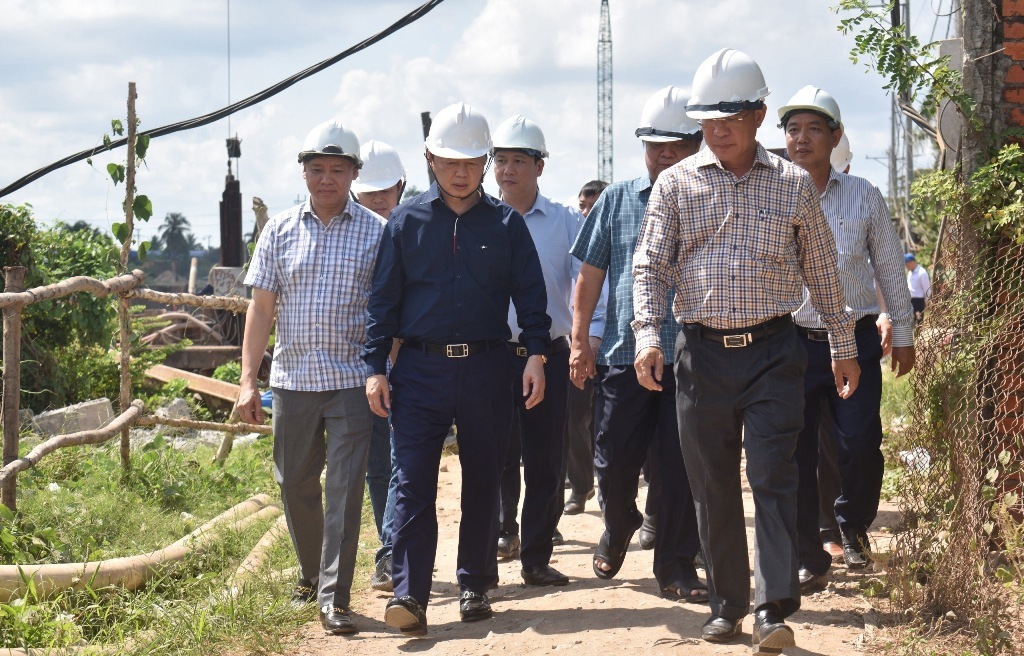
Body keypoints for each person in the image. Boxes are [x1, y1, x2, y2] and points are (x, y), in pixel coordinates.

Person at [631, 49, 860, 654]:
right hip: (700, 356)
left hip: (773, 352)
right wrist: (648, 337)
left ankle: (771, 606)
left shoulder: (790, 186)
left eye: (732, 115)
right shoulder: (676, 184)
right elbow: (650, 267)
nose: (720, 129)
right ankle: (728, 603)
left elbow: (822, 272)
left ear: (759, 114)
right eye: (708, 118)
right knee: (711, 483)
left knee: (773, 474)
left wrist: (842, 344)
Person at [362, 102, 551, 635]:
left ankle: (473, 583)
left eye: (472, 161)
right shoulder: (405, 223)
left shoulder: (508, 224)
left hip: (489, 366)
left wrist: (535, 353)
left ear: (486, 161)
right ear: (430, 159)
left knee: (485, 477)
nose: (461, 172)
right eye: (450, 162)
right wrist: (376, 367)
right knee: (413, 481)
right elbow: (383, 303)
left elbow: (531, 295)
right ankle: (410, 594)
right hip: (419, 370)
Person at [236, 119, 385, 636]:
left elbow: (389, 311)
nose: (327, 179)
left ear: (354, 174)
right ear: (303, 173)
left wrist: (381, 371)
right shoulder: (278, 230)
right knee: (294, 482)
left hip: (351, 381)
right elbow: (260, 309)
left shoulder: (377, 232)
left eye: (337, 170)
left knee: (343, 490)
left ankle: (333, 597)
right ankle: (310, 572)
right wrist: (248, 381)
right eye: (317, 169)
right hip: (293, 382)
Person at [570, 86, 706, 603]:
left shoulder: (711, 196)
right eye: (655, 145)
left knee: (679, 465)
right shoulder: (616, 198)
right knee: (612, 457)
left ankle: (675, 565)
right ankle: (620, 519)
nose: (664, 154)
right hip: (624, 356)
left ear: (696, 144)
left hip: (689, 356)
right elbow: (590, 273)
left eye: (675, 145)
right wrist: (580, 339)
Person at [777, 86, 915, 594]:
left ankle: (852, 523)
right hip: (788, 340)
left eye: (815, 128)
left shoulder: (863, 196)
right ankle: (808, 549)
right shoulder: (769, 194)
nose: (802, 138)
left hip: (853, 337)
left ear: (835, 137)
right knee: (793, 448)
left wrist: (902, 333)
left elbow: (889, 268)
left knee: (858, 441)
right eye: (793, 129)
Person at [491, 114, 594, 586]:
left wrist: (584, 339)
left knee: (546, 460)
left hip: (548, 355)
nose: (507, 169)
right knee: (494, 454)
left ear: (540, 166)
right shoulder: (477, 219)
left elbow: (591, 280)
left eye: (518, 160)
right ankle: (500, 531)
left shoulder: (564, 222)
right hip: (490, 356)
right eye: (500, 159)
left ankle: (535, 554)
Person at [351, 139, 407, 593]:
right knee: (377, 464)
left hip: (406, 365)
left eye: (385, 192)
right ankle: (390, 549)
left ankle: (392, 551)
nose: (378, 202)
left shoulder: (411, 231)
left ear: (401, 188)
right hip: (361, 368)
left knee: (400, 461)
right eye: (370, 194)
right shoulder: (356, 236)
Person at [561, 179, 609, 518]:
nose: (586, 213)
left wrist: (596, 338)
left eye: (593, 207)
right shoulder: (574, 244)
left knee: (610, 422)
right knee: (574, 417)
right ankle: (581, 486)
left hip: (617, 345)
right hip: (578, 343)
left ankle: (612, 489)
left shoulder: (622, 241)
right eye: (583, 206)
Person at [905, 253, 931, 321]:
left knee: (919, 321)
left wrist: (927, 301)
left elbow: (927, 288)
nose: (906, 266)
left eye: (906, 264)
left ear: (911, 262)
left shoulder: (921, 272)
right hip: (910, 300)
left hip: (919, 301)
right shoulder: (910, 273)